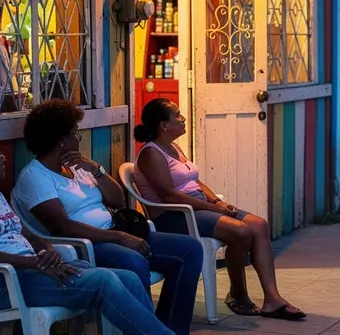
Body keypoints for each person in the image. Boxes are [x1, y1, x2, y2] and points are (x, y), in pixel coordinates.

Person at [0, 129, 173, 335]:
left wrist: (47, 252)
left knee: (129, 278)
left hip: (32, 271)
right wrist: (33, 262)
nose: (3, 157)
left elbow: (29, 236)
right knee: (104, 281)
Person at [12, 99, 204, 335]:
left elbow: (117, 200)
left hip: (115, 231)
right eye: (75, 132)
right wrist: (119, 237)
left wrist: (97, 170)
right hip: (88, 245)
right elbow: (63, 227)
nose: (79, 137)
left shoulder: (77, 166)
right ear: (60, 140)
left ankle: (169, 329)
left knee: (190, 250)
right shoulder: (35, 177)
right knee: (134, 261)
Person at [133, 98, 306, 321]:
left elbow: (194, 181)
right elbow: (169, 196)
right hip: (175, 215)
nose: (183, 118)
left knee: (259, 225)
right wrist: (212, 208)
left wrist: (217, 202)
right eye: (177, 115)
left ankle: (273, 299)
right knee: (241, 231)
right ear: (164, 125)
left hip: (198, 207)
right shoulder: (151, 154)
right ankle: (238, 294)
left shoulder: (173, 147)